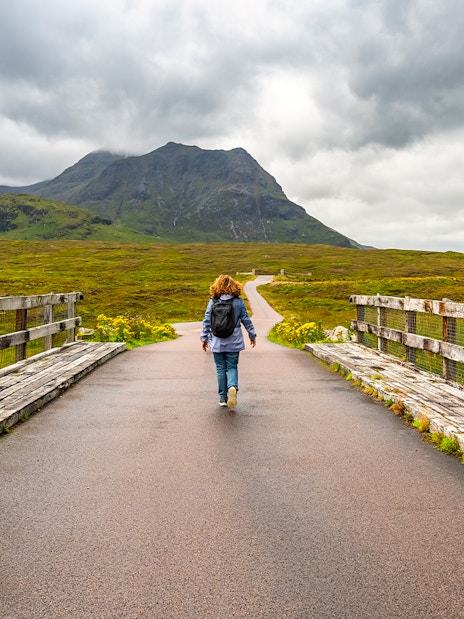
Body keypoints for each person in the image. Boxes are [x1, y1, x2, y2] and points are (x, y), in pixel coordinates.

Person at [200, 274, 256, 408]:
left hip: (217, 340)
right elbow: (246, 320)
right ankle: (233, 386)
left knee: (220, 369)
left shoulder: (213, 301)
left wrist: (204, 338)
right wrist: (252, 335)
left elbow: (207, 321)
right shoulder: (238, 301)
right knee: (232, 366)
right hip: (234, 340)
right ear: (234, 285)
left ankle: (223, 398)